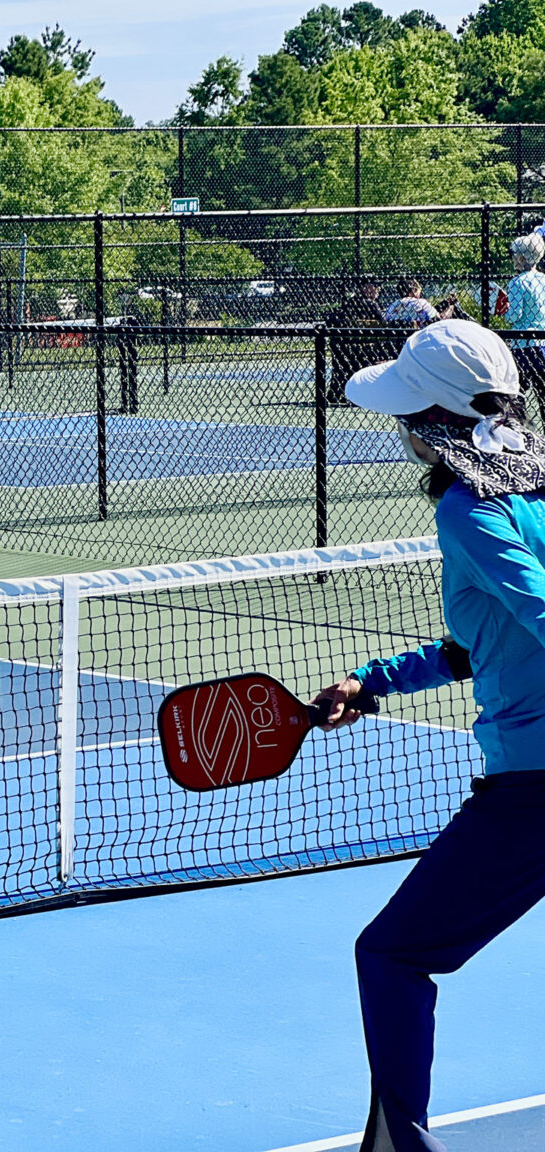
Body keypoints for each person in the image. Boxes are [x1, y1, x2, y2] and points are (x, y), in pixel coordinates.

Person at [313, 319, 545, 1152]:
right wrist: (372, 683)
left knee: (393, 955)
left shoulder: (468, 511)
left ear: (428, 423)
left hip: (533, 791)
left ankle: (399, 1146)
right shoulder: (536, 491)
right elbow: (488, 643)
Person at [326, 279, 396, 405]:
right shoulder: (371, 304)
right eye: (375, 285)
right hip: (366, 349)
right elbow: (384, 325)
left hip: (345, 347)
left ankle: (336, 393)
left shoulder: (348, 304)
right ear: (365, 287)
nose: (378, 289)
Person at [502, 232, 545, 412]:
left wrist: (504, 310)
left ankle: (519, 423)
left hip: (523, 345)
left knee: (516, 392)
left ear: (521, 258)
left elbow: (514, 315)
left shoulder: (517, 283)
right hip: (543, 342)